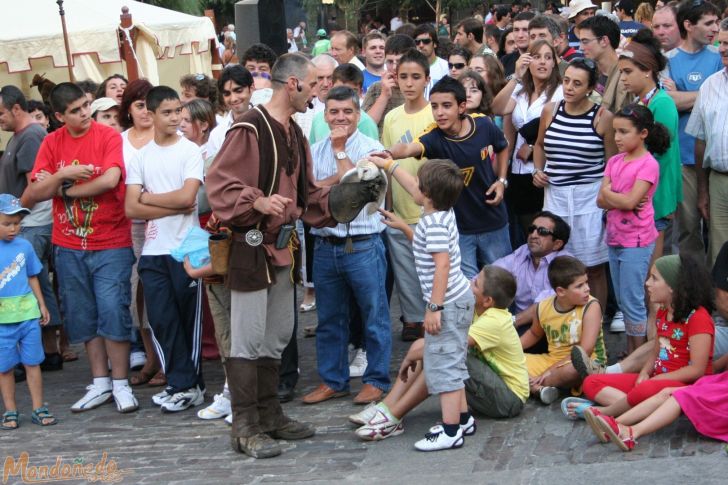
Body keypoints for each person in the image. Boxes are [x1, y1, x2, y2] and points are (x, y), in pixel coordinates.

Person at [205, 53, 338, 459]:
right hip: (250, 248)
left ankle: (270, 415)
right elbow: (219, 186)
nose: (317, 92)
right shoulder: (249, 128)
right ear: (293, 84)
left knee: (276, 333)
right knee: (246, 337)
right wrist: (258, 202)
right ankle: (245, 427)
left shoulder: (294, 133)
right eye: (313, 84)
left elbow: (309, 196)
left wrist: (350, 193)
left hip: (284, 248)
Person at [27, 82, 138, 414]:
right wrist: (64, 173)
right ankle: (100, 381)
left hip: (111, 240)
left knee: (113, 309)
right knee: (84, 314)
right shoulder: (51, 142)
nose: (85, 114)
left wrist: (63, 188)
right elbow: (35, 190)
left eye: (86, 105)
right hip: (68, 243)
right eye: (75, 110)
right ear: (59, 116)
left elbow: (110, 180)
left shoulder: (107, 136)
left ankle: (121, 383)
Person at [351, 265, 528, 440]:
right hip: (490, 386)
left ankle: (394, 417)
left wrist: (413, 355)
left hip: (508, 399)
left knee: (443, 356)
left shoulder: (495, 320)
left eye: (475, 283)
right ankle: (387, 407)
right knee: (429, 347)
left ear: (488, 301)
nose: (469, 284)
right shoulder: (474, 306)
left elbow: (449, 346)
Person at [370, 157, 475, 452]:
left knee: (444, 366)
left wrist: (434, 307)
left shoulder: (433, 221)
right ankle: (463, 418)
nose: (413, 186)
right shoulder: (440, 214)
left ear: (426, 193)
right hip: (456, 300)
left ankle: (451, 430)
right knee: (451, 359)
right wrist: (389, 166)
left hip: (448, 304)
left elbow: (441, 265)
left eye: (418, 183)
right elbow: (430, 247)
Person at [301, 86, 390, 406]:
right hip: (325, 245)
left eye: (347, 112)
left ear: (359, 115)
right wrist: (335, 182)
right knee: (329, 319)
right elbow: (308, 196)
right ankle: (333, 380)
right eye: (334, 112)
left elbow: (357, 192)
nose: (340, 118)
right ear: (324, 115)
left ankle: (377, 380)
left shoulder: (373, 148)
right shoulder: (313, 150)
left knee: (374, 315)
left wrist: (340, 154)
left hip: (364, 244)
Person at [377, 76, 512, 281]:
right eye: (435, 106)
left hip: (494, 222)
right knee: (468, 290)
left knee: (501, 283)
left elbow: (503, 147)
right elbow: (407, 148)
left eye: (446, 106)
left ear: (462, 106)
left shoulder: (483, 124)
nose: (439, 113)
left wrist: (501, 181)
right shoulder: (434, 136)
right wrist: (389, 154)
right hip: (459, 230)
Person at [124, 86, 205, 413]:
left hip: (187, 248)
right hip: (153, 251)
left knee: (189, 322)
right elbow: (131, 208)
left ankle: (191, 385)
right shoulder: (141, 156)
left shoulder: (190, 151)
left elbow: (188, 199)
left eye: (178, 112)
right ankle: (180, 383)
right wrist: (166, 203)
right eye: (168, 112)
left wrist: (148, 198)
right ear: (152, 115)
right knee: (161, 320)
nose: (175, 118)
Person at [581, 254, 715, 421]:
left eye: (654, 279)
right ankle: (641, 408)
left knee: (646, 389)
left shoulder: (698, 317)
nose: (647, 283)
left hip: (685, 387)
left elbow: (697, 369)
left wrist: (657, 379)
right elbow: (655, 352)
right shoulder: (663, 312)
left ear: (673, 286)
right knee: (591, 382)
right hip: (656, 380)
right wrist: (644, 372)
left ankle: (608, 413)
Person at [533, 58, 617, 311]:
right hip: (555, 195)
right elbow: (539, 145)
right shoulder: (550, 110)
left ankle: (596, 322)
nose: (569, 87)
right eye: (566, 80)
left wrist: (605, 196)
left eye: (577, 83)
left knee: (593, 267)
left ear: (590, 89)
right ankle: (561, 318)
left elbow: (612, 163)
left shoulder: (603, 117)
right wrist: (538, 170)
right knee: (556, 262)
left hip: (589, 197)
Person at [597, 104, 669, 354]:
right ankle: (631, 352)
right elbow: (600, 200)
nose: (617, 137)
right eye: (615, 131)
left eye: (624, 132)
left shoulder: (648, 164)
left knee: (632, 301)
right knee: (624, 301)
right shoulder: (615, 160)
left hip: (636, 241)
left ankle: (637, 356)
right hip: (615, 238)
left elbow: (626, 201)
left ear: (643, 134)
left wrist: (613, 195)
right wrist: (618, 197)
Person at [0, 86, 63, 369]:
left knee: (31, 282)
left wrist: (13, 218)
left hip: (33, 224)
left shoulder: (31, 136)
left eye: (1, 113)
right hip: (23, 222)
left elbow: (33, 184)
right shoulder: (18, 136)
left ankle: (46, 351)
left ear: (16, 109)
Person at [377, 48, 434, 342]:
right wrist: (388, 208)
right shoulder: (391, 118)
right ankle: (413, 320)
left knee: (431, 267)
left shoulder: (434, 112)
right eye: (403, 77)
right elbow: (387, 166)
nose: (409, 83)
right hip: (399, 206)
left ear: (427, 79)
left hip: (428, 208)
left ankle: (434, 316)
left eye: (415, 77)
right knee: (405, 271)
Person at [664, 0, 722, 263]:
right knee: (689, 231)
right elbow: (669, 102)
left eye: (717, 22)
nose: (715, 29)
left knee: (720, 231)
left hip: (718, 159)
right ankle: (694, 291)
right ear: (688, 25)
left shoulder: (720, 54)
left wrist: (684, 94)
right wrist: (709, 94)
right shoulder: (669, 60)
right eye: (708, 23)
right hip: (685, 157)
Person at [617, 30, 681, 264]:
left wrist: (639, 191)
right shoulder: (641, 100)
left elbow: (659, 156)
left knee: (651, 269)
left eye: (628, 72)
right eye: (621, 72)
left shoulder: (662, 103)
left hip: (653, 196)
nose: (623, 78)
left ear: (647, 70)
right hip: (640, 194)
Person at [0, 194, 55, 429]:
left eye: (17, 223)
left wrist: (41, 304)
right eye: (7, 223)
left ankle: (38, 406)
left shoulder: (25, 246)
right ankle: (10, 410)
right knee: (4, 367)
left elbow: (32, 276)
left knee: (33, 362)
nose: (14, 228)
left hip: (28, 315)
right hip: (3, 320)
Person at [519, 255, 606, 404]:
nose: (587, 289)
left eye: (586, 282)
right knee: (508, 361)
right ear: (560, 291)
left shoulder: (591, 307)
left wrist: (550, 371)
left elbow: (585, 350)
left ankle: (533, 385)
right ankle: (539, 388)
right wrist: (511, 349)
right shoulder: (543, 307)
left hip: (585, 362)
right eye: (579, 286)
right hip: (552, 361)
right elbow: (534, 333)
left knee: (573, 370)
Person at [499, 41, 564, 240]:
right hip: (518, 169)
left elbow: (555, 122)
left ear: (555, 62)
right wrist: (516, 77)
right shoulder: (521, 91)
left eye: (548, 57)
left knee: (543, 233)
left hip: (542, 171)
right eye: (536, 57)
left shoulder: (560, 91)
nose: (542, 62)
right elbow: (498, 108)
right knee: (525, 232)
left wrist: (530, 143)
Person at [687, 17, 728, 268]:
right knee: (721, 255)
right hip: (719, 181)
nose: (722, 49)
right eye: (721, 43)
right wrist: (703, 190)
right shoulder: (709, 86)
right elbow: (700, 142)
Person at [309, 64, 379, 144]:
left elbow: (371, 153)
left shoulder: (366, 123)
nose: (345, 96)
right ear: (331, 86)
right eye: (340, 89)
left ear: (360, 92)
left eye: (352, 91)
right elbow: (312, 153)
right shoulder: (318, 119)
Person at [577, 15, 631, 113]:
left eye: (585, 41)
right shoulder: (589, 73)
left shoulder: (626, 77)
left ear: (604, 41)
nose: (580, 47)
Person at [207, 65, 254, 159]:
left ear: (251, 88)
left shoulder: (265, 122)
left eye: (238, 91)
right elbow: (212, 169)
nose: (233, 99)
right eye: (227, 94)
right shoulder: (217, 134)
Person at [414, 23, 449, 99]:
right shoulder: (410, 67)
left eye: (426, 41)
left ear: (435, 44)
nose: (421, 45)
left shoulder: (446, 67)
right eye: (417, 42)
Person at [500, 12, 537, 77]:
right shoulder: (504, 60)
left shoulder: (545, 60)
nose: (520, 35)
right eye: (516, 30)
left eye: (525, 30)